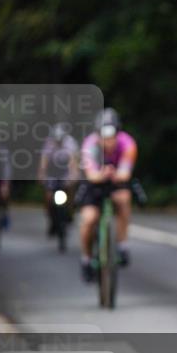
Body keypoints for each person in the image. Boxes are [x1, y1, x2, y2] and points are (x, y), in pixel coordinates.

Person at [78, 108, 138, 281]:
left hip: (116, 182)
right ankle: (86, 258)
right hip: (94, 184)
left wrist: (114, 174)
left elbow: (126, 172)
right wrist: (102, 174)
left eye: (111, 136)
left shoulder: (128, 143)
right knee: (89, 219)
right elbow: (91, 174)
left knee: (124, 199)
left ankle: (122, 244)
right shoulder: (90, 145)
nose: (108, 141)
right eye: (104, 137)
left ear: (118, 133)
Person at [37, 123, 80, 236]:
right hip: (52, 172)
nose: (58, 142)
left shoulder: (70, 143)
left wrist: (73, 175)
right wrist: (42, 174)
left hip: (65, 172)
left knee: (70, 189)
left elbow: (73, 162)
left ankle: (70, 212)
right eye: (57, 140)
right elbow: (44, 162)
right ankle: (50, 217)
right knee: (48, 196)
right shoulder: (49, 144)